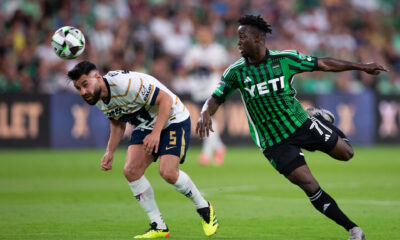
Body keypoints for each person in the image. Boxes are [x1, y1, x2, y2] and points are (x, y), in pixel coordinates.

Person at [196, 15, 388, 240]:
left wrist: (362, 67)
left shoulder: (285, 59)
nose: (237, 42)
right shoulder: (235, 72)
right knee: (309, 185)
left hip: (300, 124)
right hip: (274, 141)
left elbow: (322, 63)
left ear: (258, 38)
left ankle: (317, 117)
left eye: (242, 37)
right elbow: (215, 98)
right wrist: (204, 113)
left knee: (347, 153)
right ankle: (353, 229)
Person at [67, 61, 218, 238]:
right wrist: (110, 151)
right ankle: (158, 225)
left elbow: (166, 100)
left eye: (85, 84)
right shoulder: (98, 99)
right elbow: (117, 123)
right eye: (79, 88)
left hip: (173, 118)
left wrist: (155, 133)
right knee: (131, 171)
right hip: (145, 124)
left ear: (98, 77)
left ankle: (204, 208)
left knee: (168, 172)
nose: (83, 92)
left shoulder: (125, 84)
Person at [183, 25, 229, 166]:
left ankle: (206, 154)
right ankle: (220, 148)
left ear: (211, 35)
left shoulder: (218, 50)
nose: (203, 36)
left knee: (207, 118)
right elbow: (184, 70)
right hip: (198, 89)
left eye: (205, 33)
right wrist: (192, 66)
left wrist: (215, 68)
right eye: (200, 33)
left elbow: (227, 68)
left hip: (213, 88)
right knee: (206, 119)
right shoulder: (193, 51)